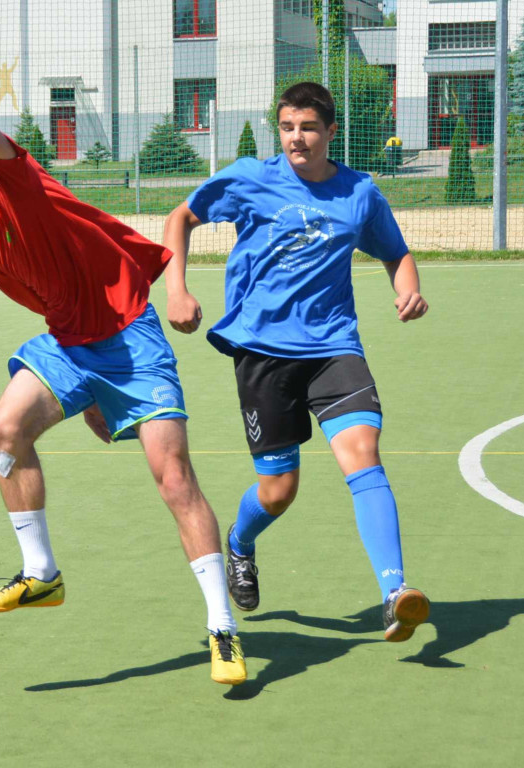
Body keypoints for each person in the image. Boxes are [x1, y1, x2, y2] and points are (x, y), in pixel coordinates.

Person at [0, 27, 246, 685]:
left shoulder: (17, 185)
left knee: (174, 480)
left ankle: (222, 631)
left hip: (131, 340)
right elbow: (55, 295)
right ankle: (41, 574)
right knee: (4, 430)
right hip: (72, 343)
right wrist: (88, 390)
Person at [163, 82, 431, 643]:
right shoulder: (250, 178)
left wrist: (408, 287)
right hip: (262, 354)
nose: (296, 138)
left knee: (363, 455)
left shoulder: (360, 193)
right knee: (279, 490)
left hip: (334, 347)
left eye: (308, 128)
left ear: (331, 132)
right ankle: (240, 542)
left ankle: (395, 592)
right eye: (287, 128)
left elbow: (394, 251)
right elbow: (178, 219)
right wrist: (177, 290)